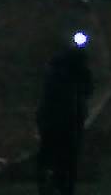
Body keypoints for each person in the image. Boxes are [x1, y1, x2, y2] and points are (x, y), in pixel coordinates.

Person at [37, 31, 94, 195]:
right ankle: (55, 183)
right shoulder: (65, 69)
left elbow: (87, 89)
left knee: (55, 153)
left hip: (60, 118)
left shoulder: (58, 68)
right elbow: (87, 90)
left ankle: (52, 182)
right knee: (63, 155)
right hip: (65, 118)